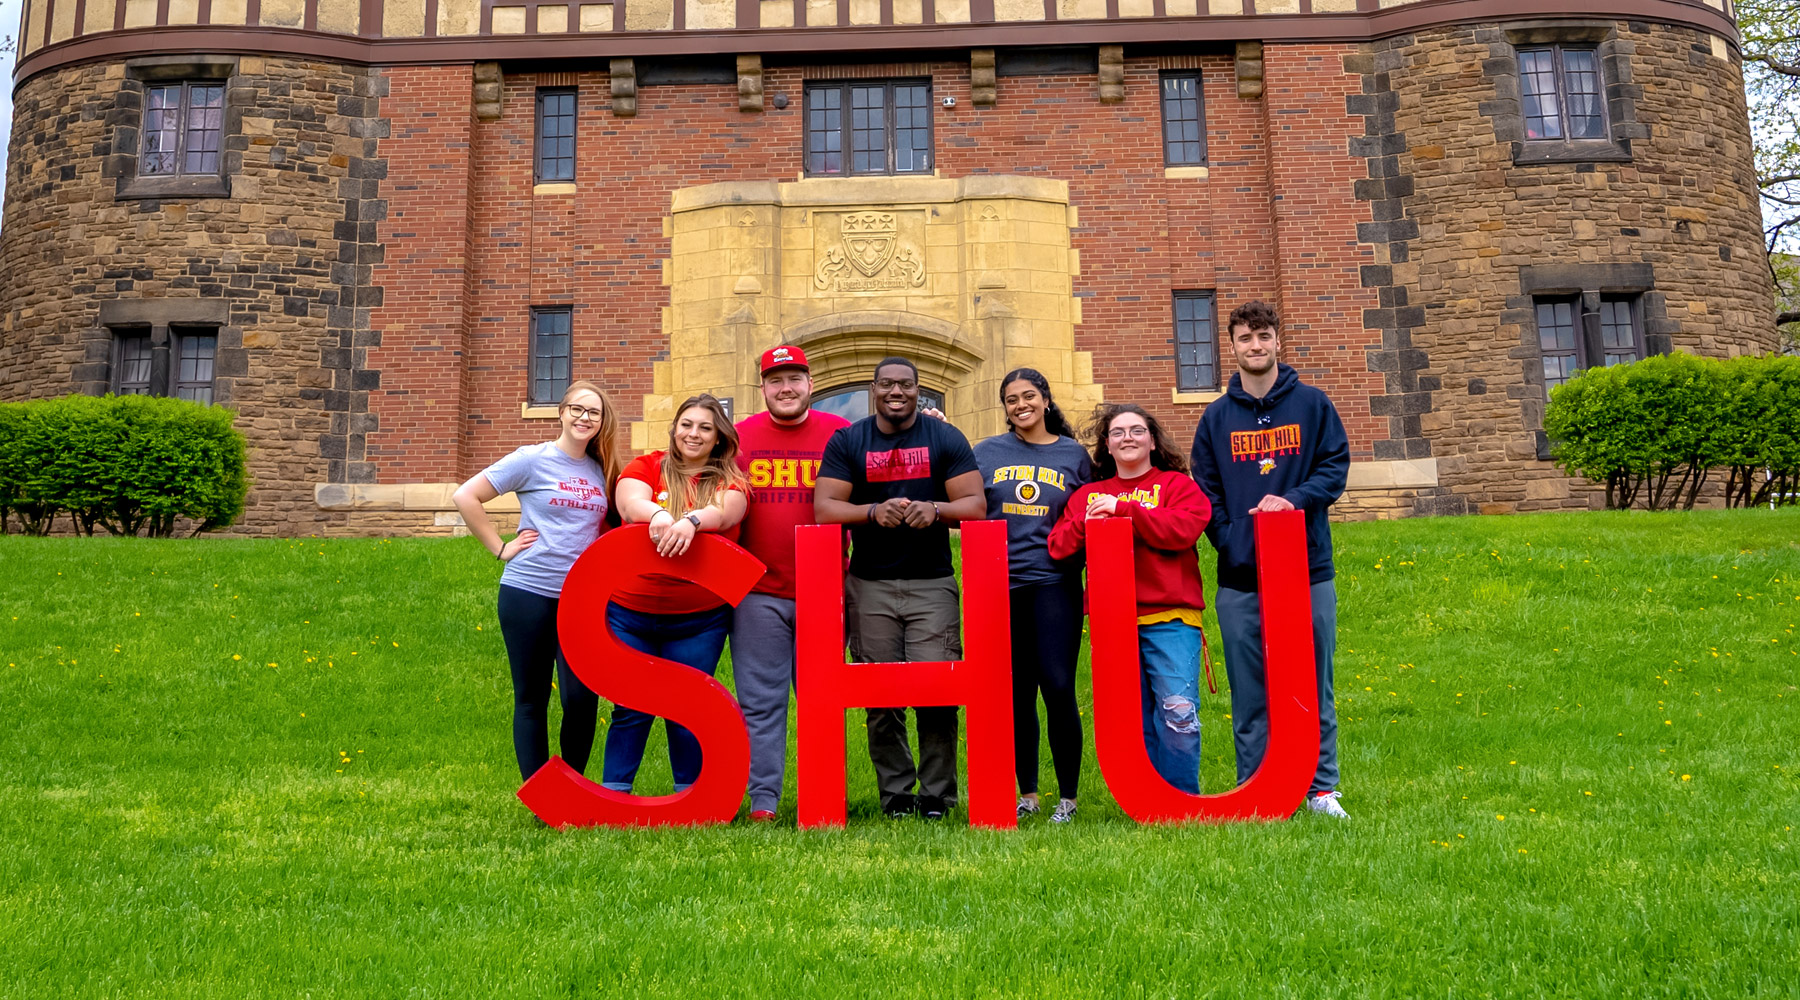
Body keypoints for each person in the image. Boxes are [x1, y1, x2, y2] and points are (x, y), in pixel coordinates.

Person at [1190, 299, 1351, 820]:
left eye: (1263, 337)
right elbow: (1206, 495)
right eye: (1244, 338)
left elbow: (1334, 470)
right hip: (1241, 579)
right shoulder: (1215, 419)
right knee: (1249, 687)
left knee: (1313, 681)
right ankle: (1257, 789)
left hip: (1308, 568)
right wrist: (1234, 541)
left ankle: (1321, 788)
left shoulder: (1313, 405)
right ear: (1231, 347)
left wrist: (1293, 502)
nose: (1255, 346)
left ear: (1278, 341)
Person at [813, 357, 986, 820]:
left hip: (933, 584)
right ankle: (895, 796)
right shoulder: (850, 440)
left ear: (918, 390)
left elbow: (975, 504)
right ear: (874, 389)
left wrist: (936, 508)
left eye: (905, 385)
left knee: (938, 690)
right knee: (880, 697)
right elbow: (824, 508)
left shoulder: (943, 437)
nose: (896, 392)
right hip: (870, 584)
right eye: (887, 384)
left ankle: (936, 796)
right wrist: (871, 512)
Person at [452, 380, 623, 783]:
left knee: (581, 699)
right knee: (532, 699)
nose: (585, 418)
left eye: (593, 413)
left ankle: (573, 788)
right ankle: (540, 794)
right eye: (577, 409)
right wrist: (500, 547)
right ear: (562, 412)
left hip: (582, 597)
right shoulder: (531, 459)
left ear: (601, 422)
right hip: (528, 591)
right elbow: (466, 496)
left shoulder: (603, 468)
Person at [1049, 404, 1212, 794]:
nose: (1128, 438)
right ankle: (1147, 799)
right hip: (1113, 621)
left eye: (1137, 431)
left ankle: (1180, 800)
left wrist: (1126, 510)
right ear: (1107, 444)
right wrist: (1087, 521)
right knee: (1132, 719)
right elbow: (1058, 548)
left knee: (1178, 713)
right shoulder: (1090, 494)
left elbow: (1184, 529)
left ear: (1152, 441)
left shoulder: (1176, 486)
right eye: (1118, 432)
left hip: (1170, 617)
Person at [601, 393, 750, 794]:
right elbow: (630, 503)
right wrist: (662, 515)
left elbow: (728, 511)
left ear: (718, 437)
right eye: (687, 424)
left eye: (705, 427)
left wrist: (694, 521)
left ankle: (690, 795)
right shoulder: (648, 466)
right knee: (630, 705)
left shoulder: (729, 480)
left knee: (688, 708)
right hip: (630, 611)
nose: (694, 434)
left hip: (698, 620)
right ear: (674, 429)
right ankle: (615, 792)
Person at [730, 345, 851, 822]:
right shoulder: (736, 438)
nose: (786, 388)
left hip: (825, 588)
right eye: (775, 380)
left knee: (822, 699)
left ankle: (823, 794)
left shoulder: (840, 433)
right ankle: (764, 802)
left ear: (810, 383)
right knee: (760, 702)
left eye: (794, 378)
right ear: (762, 388)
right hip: (758, 589)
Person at [973, 369, 1092, 824]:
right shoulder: (985, 453)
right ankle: (1028, 794)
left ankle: (1069, 797)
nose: (1020, 405)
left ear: (1045, 399)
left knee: (1058, 686)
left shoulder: (1073, 456)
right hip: (999, 584)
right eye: (1010, 399)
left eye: (1028, 396)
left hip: (1053, 582)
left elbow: (1087, 515)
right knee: (1016, 692)